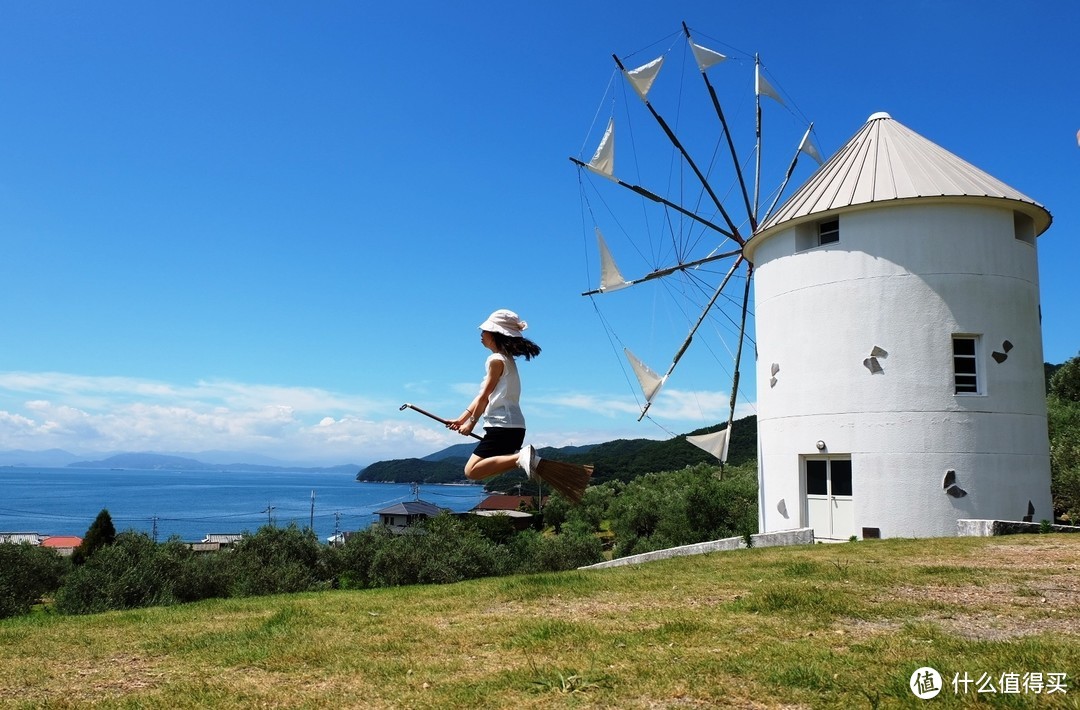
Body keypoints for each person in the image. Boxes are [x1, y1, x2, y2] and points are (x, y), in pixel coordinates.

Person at [448, 309, 542, 480]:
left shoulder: (495, 360)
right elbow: (482, 397)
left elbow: (484, 397)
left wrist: (471, 424)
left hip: (501, 427)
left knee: (472, 471)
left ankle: (520, 458)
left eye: (485, 331)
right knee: (484, 470)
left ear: (495, 334)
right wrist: (461, 419)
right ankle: (523, 459)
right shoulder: (507, 360)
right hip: (514, 427)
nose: (481, 334)